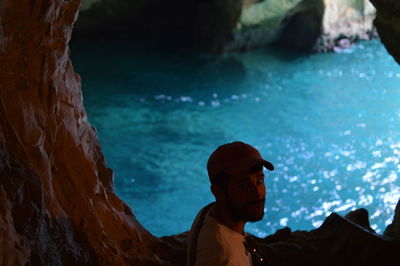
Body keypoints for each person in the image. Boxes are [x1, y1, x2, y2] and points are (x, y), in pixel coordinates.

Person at [187, 141, 274, 266]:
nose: (258, 193)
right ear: (218, 191)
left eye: (259, 181)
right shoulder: (224, 257)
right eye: (244, 185)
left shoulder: (209, 212)